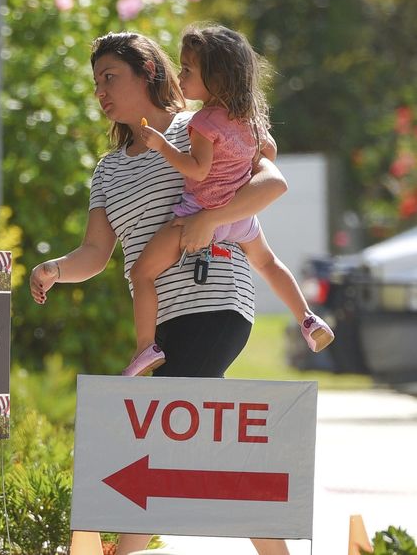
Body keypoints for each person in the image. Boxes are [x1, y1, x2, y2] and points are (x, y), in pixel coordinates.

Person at [30, 31, 293, 555]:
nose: (100, 91)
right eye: (96, 81)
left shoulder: (197, 125)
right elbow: (96, 255)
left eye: (111, 77)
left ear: (148, 71)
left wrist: (214, 218)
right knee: (205, 443)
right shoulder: (107, 171)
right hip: (166, 321)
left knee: (159, 425)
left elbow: (269, 179)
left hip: (216, 300)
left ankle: (124, 550)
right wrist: (55, 270)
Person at [123, 23, 334, 377]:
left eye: (188, 69)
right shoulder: (249, 120)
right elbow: (269, 150)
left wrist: (162, 146)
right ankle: (307, 318)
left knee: (141, 273)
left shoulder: (204, 121)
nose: (180, 75)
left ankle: (146, 346)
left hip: (197, 214)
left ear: (217, 77)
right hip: (239, 218)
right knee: (267, 263)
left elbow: (197, 170)